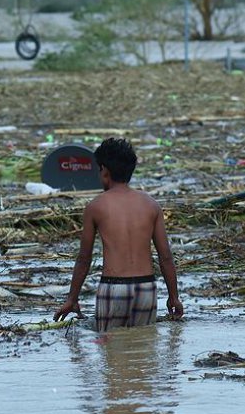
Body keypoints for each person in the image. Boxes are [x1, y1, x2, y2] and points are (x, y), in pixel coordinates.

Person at [54, 138, 183, 332]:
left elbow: (84, 258)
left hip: (113, 289)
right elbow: (165, 256)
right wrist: (174, 297)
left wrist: (72, 299)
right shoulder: (151, 205)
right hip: (146, 288)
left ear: (104, 171)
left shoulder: (96, 206)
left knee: (111, 353)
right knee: (144, 349)